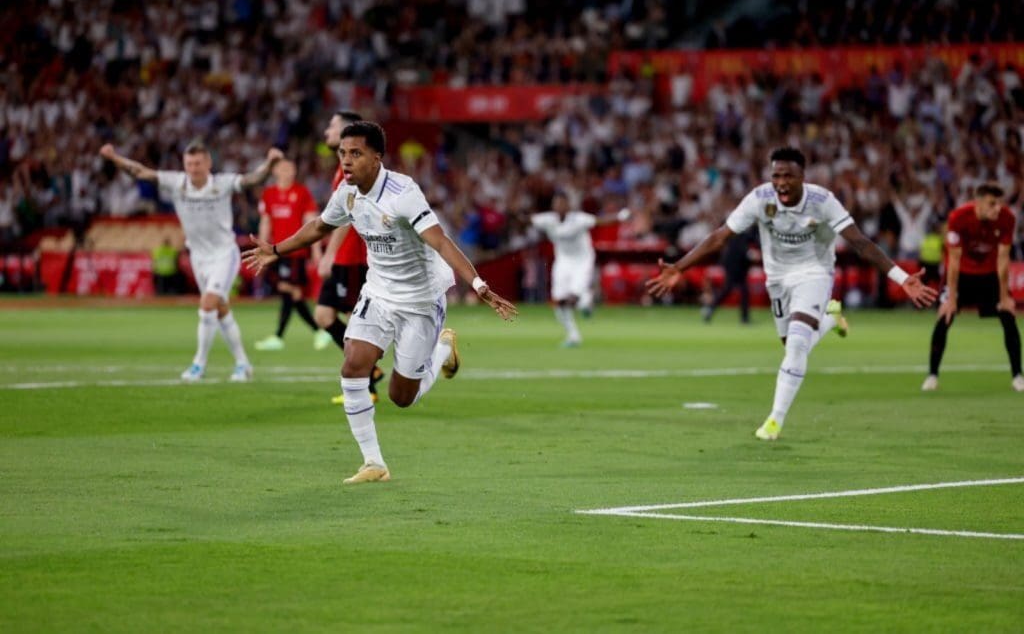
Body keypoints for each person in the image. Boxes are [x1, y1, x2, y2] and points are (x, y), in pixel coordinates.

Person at [243, 121, 517, 484]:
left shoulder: (404, 193)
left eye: (355, 153)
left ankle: (443, 349)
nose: (346, 161)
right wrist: (276, 250)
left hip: (420, 299)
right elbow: (320, 227)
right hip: (379, 293)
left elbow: (441, 241)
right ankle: (374, 463)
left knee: (402, 397)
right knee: (353, 363)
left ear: (377, 157)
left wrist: (479, 285)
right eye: (343, 154)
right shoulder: (347, 193)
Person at [646, 147, 938, 441]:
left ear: (802, 177)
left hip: (814, 273)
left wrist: (901, 277)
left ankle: (774, 420)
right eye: (776, 175)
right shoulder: (760, 198)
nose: (781, 182)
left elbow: (860, 242)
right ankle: (830, 321)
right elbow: (719, 237)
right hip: (778, 279)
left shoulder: (823, 201)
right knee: (792, 345)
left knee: (797, 343)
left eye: (788, 176)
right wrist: (680, 268)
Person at [99, 141, 282, 382]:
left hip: (223, 254)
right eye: (189, 164)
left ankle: (198, 364)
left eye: (197, 163)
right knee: (220, 310)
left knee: (207, 304)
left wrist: (269, 164)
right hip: (198, 256)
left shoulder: (221, 184)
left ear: (208, 163)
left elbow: (251, 180)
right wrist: (115, 158)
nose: (193, 168)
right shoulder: (177, 183)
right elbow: (140, 172)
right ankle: (243, 364)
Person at [312, 111, 385, 404]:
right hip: (344, 257)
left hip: (352, 257)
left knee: (358, 321)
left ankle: (366, 384)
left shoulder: (351, 171)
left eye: (331, 126)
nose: (327, 131)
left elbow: (346, 217)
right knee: (324, 315)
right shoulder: (340, 170)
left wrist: (328, 253)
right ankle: (371, 373)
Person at [923, 183, 1023, 391]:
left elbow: (1003, 260)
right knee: (944, 316)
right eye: (992, 204)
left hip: (989, 275)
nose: (997, 209)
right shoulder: (958, 217)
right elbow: (954, 261)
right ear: (978, 202)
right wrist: (951, 299)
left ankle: (1017, 376)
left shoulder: (1007, 218)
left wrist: (1004, 297)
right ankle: (932, 376)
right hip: (962, 275)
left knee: (1008, 315)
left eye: (999, 204)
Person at [530, 192, 629, 347]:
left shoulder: (579, 219)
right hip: (562, 261)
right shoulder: (547, 219)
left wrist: (621, 217)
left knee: (572, 299)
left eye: (562, 203)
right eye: (556, 203)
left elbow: (601, 221)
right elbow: (527, 220)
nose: (559, 206)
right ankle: (573, 335)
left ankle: (585, 300)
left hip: (583, 261)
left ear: (568, 205)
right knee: (558, 302)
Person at [253, 158, 324, 351]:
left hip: (295, 250)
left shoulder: (301, 192)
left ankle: (281, 336)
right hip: (275, 252)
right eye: (284, 168)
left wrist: (316, 250)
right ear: (275, 171)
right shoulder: (268, 194)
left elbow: (312, 222)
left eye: (291, 168)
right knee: (293, 293)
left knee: (288, 291)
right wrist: (261, 245)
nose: (288, 172)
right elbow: (266, 221)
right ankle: (317, 331)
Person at [701, 227, 757, 324]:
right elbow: (740, 247)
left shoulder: (745, 230)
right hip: (733, 264)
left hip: (740, 264)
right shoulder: (738, 230)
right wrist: (749, 254)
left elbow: (751, 241)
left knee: (741, 291)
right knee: (729, 290)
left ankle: (744, 318)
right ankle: (711, 309)